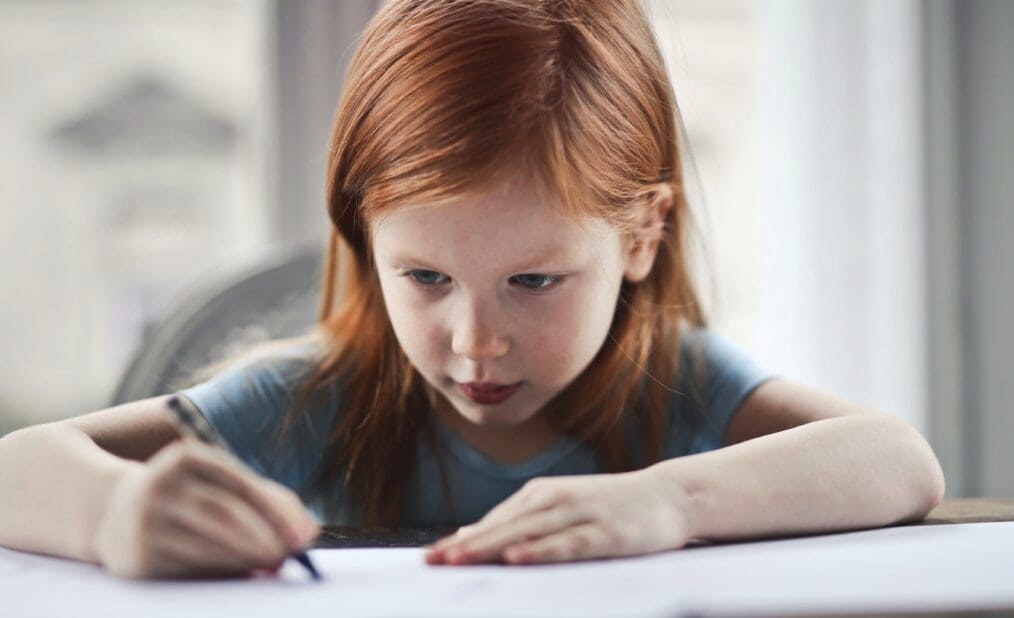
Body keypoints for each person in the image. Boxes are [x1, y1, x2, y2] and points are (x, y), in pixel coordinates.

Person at [0, 0, 945, 580]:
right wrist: (114, 514)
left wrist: (673, 502)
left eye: (534, 280)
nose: (475, 340)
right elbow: (17, 467)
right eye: (424, 277)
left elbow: (899, 462)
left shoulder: (678, 386)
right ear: (365, 239)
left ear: (642, 235)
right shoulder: (309, 399)